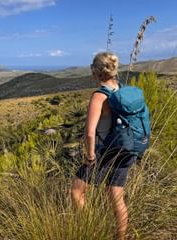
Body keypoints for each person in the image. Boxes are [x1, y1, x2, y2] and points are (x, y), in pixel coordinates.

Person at [70, 52, 137, 240]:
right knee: (116, 197)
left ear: (97, 71)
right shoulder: (122, 90)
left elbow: (90, 132)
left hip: (104, 152)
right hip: (125, 149)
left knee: (76, 191)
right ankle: (120, 237)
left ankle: (91, 233)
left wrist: (90, 155)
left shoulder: (99, 96)